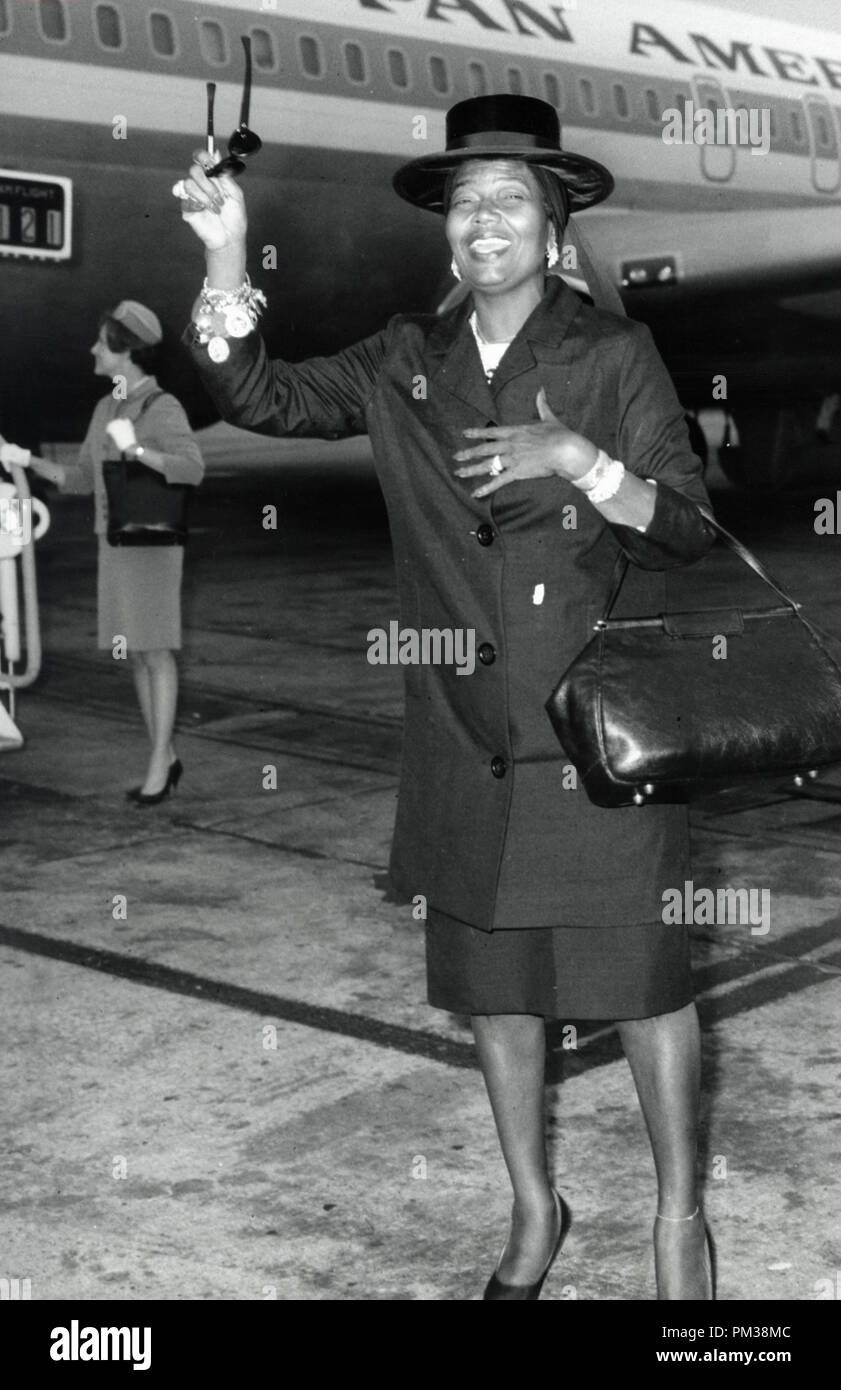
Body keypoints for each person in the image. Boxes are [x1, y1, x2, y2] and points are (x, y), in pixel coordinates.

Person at [175, 94, 716, 1300]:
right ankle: (535, 1210)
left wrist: (581, 461)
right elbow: (258, 396)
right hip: (462, 733)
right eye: (465, 202)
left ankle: (680, 1220)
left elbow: (687, 523)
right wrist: (222, 252)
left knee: (642, 989)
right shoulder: (401, 357)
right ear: (446, 233)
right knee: (495, 991)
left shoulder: (609, 356)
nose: (484, 221)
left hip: (594, 735)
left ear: (554, 228)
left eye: (510, 201)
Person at [0, 303, 204, 803]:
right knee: (136, 652)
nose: (93, 349)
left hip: (152, 547)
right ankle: (166, 752)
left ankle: (160, 761)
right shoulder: (105, 408)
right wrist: (23, 458)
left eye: (101, 342)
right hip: (115, 544)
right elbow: (81, 480)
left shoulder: (163, 407)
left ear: (125, 351)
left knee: (156, 651)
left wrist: (136, 450)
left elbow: (191, 468)